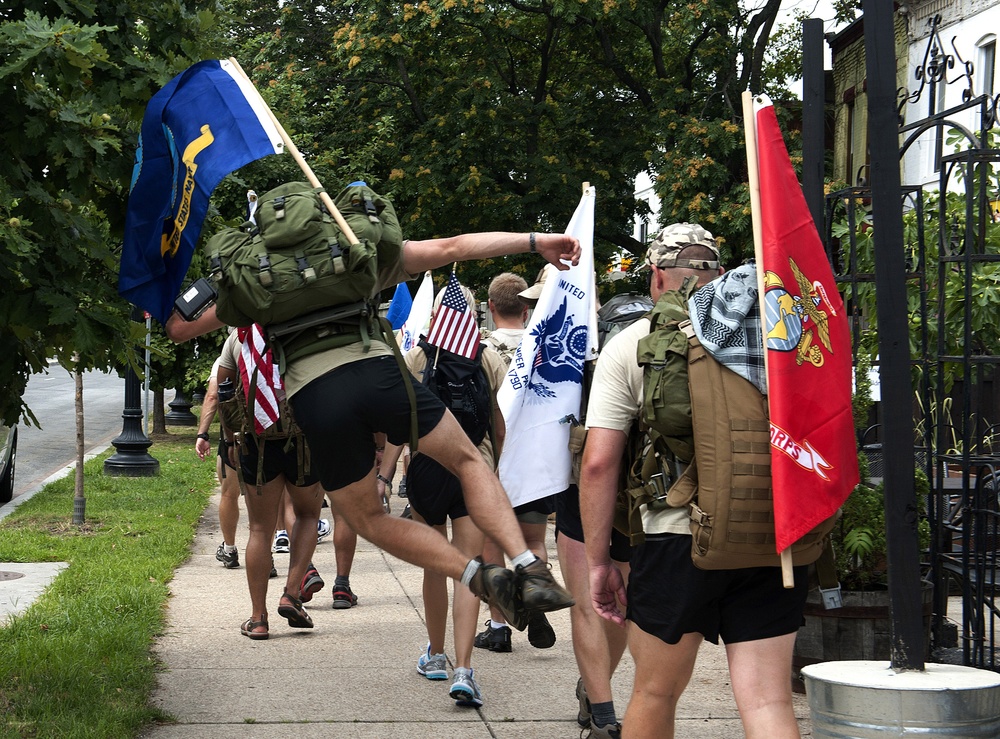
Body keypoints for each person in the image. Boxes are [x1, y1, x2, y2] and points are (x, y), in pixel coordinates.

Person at [166, 229, 580, 631]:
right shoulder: (353, 252)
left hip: (320, 397)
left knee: (369, 518)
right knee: (470, 459)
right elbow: (454, 246)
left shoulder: (259, 284)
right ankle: (529, 566)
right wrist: (537, 241)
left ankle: (478, 574)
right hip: (382, 376)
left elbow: (179, 328)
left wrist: (190, 282)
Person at [581, 223, 808, 739]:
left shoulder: (633, 344)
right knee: (769, 700)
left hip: (677, 537)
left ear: (657, 277)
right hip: (771, 532)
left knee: (656, 691)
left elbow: (598, 463)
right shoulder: (780, 332)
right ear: (719, 272)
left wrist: (599, 561)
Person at [380, 279, 505, 707]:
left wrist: (385, 473)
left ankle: (435, 655)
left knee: (435, 567)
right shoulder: (488, 357)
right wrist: (496, 472)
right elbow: (499, 424)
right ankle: (466, 669)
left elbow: (401, 422)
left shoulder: (417, 356)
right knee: (469, 570)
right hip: (475, 473)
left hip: (427, 472)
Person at [216, 327, 326, 640]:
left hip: (257, 441)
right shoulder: (306, 328)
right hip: (304, 439)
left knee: (260, 530)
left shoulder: (239, 337)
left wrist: (229, 441)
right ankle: (291, 594)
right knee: (307, 515)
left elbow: (223, 389)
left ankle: (258, 618)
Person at [475, 271, 557, 652]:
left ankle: (497, 627)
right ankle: (534, 590)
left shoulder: (479, 349)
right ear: (527, 305)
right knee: (534, 539)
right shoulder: (545, 347)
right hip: (536, 458)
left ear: (491, 307)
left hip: (494, 460)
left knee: (491, 542)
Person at [195, 353, 243, 570]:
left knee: (229, 493)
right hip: (271, 432)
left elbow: (214, 396)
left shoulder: (231, 350)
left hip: (235, 435)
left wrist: (202, 434)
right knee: (268, 496)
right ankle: (266, 555)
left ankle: (230, 549)